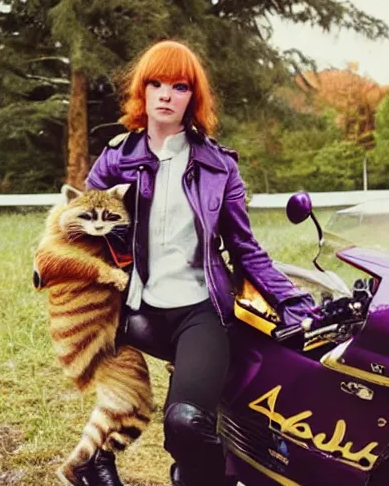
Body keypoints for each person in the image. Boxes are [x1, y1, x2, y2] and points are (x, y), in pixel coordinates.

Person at [85, 39, 315, 486]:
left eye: (179, 86)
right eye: (156, 83)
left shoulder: (218, 166)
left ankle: (197, 474)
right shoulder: (117, 158)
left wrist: (293, 301)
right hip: (132, 307)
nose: (166, 95)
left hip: (198, 308)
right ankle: (94, 459)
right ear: (143, 92)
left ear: (194, 98)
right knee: (125, 391)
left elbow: (246, 248)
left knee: (188, 423)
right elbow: (75, 227)